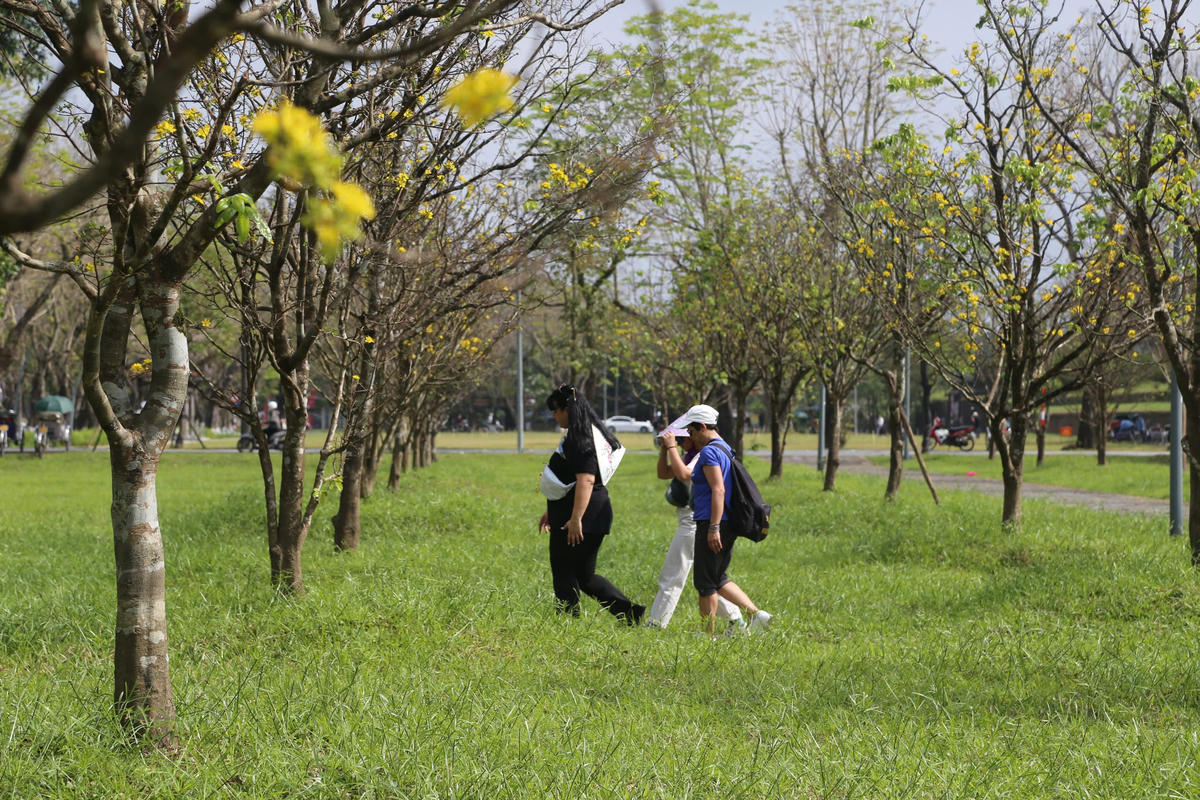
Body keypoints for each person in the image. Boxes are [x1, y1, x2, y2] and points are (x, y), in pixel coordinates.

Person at [538, 384, 644, 625]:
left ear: (568, 409)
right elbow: (570, 481)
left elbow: (586, 479)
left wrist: (575, 520)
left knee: (564, 569)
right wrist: (550, 509)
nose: (554, 416)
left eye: (556, 410)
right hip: (585, 514)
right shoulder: (589, 434)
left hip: (580, 518)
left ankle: (567, 621)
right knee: (585, 576)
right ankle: (630, 614)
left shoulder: (580, 437)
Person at [662, 404, 772, 635]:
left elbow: (718, 490)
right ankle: (757, 615)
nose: (689, 437)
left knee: (705, 584)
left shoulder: (710, 452)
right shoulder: (724, 447)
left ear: (702, 427)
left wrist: (713, 527)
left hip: (713, 522)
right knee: (718, 577)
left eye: (691, 432)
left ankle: (708, 635)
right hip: (725, 522)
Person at [647, 416, 744, 631]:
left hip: (694, 522)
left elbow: (683, 474)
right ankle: (738, 620)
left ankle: (655, 624)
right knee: (705, 581)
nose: (683, 442)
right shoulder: (691, 454)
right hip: (691, 521)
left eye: (685, 437)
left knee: (674, 575)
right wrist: (665, 450)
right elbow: (663, 473)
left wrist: (672, 446)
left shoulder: (704, 454)